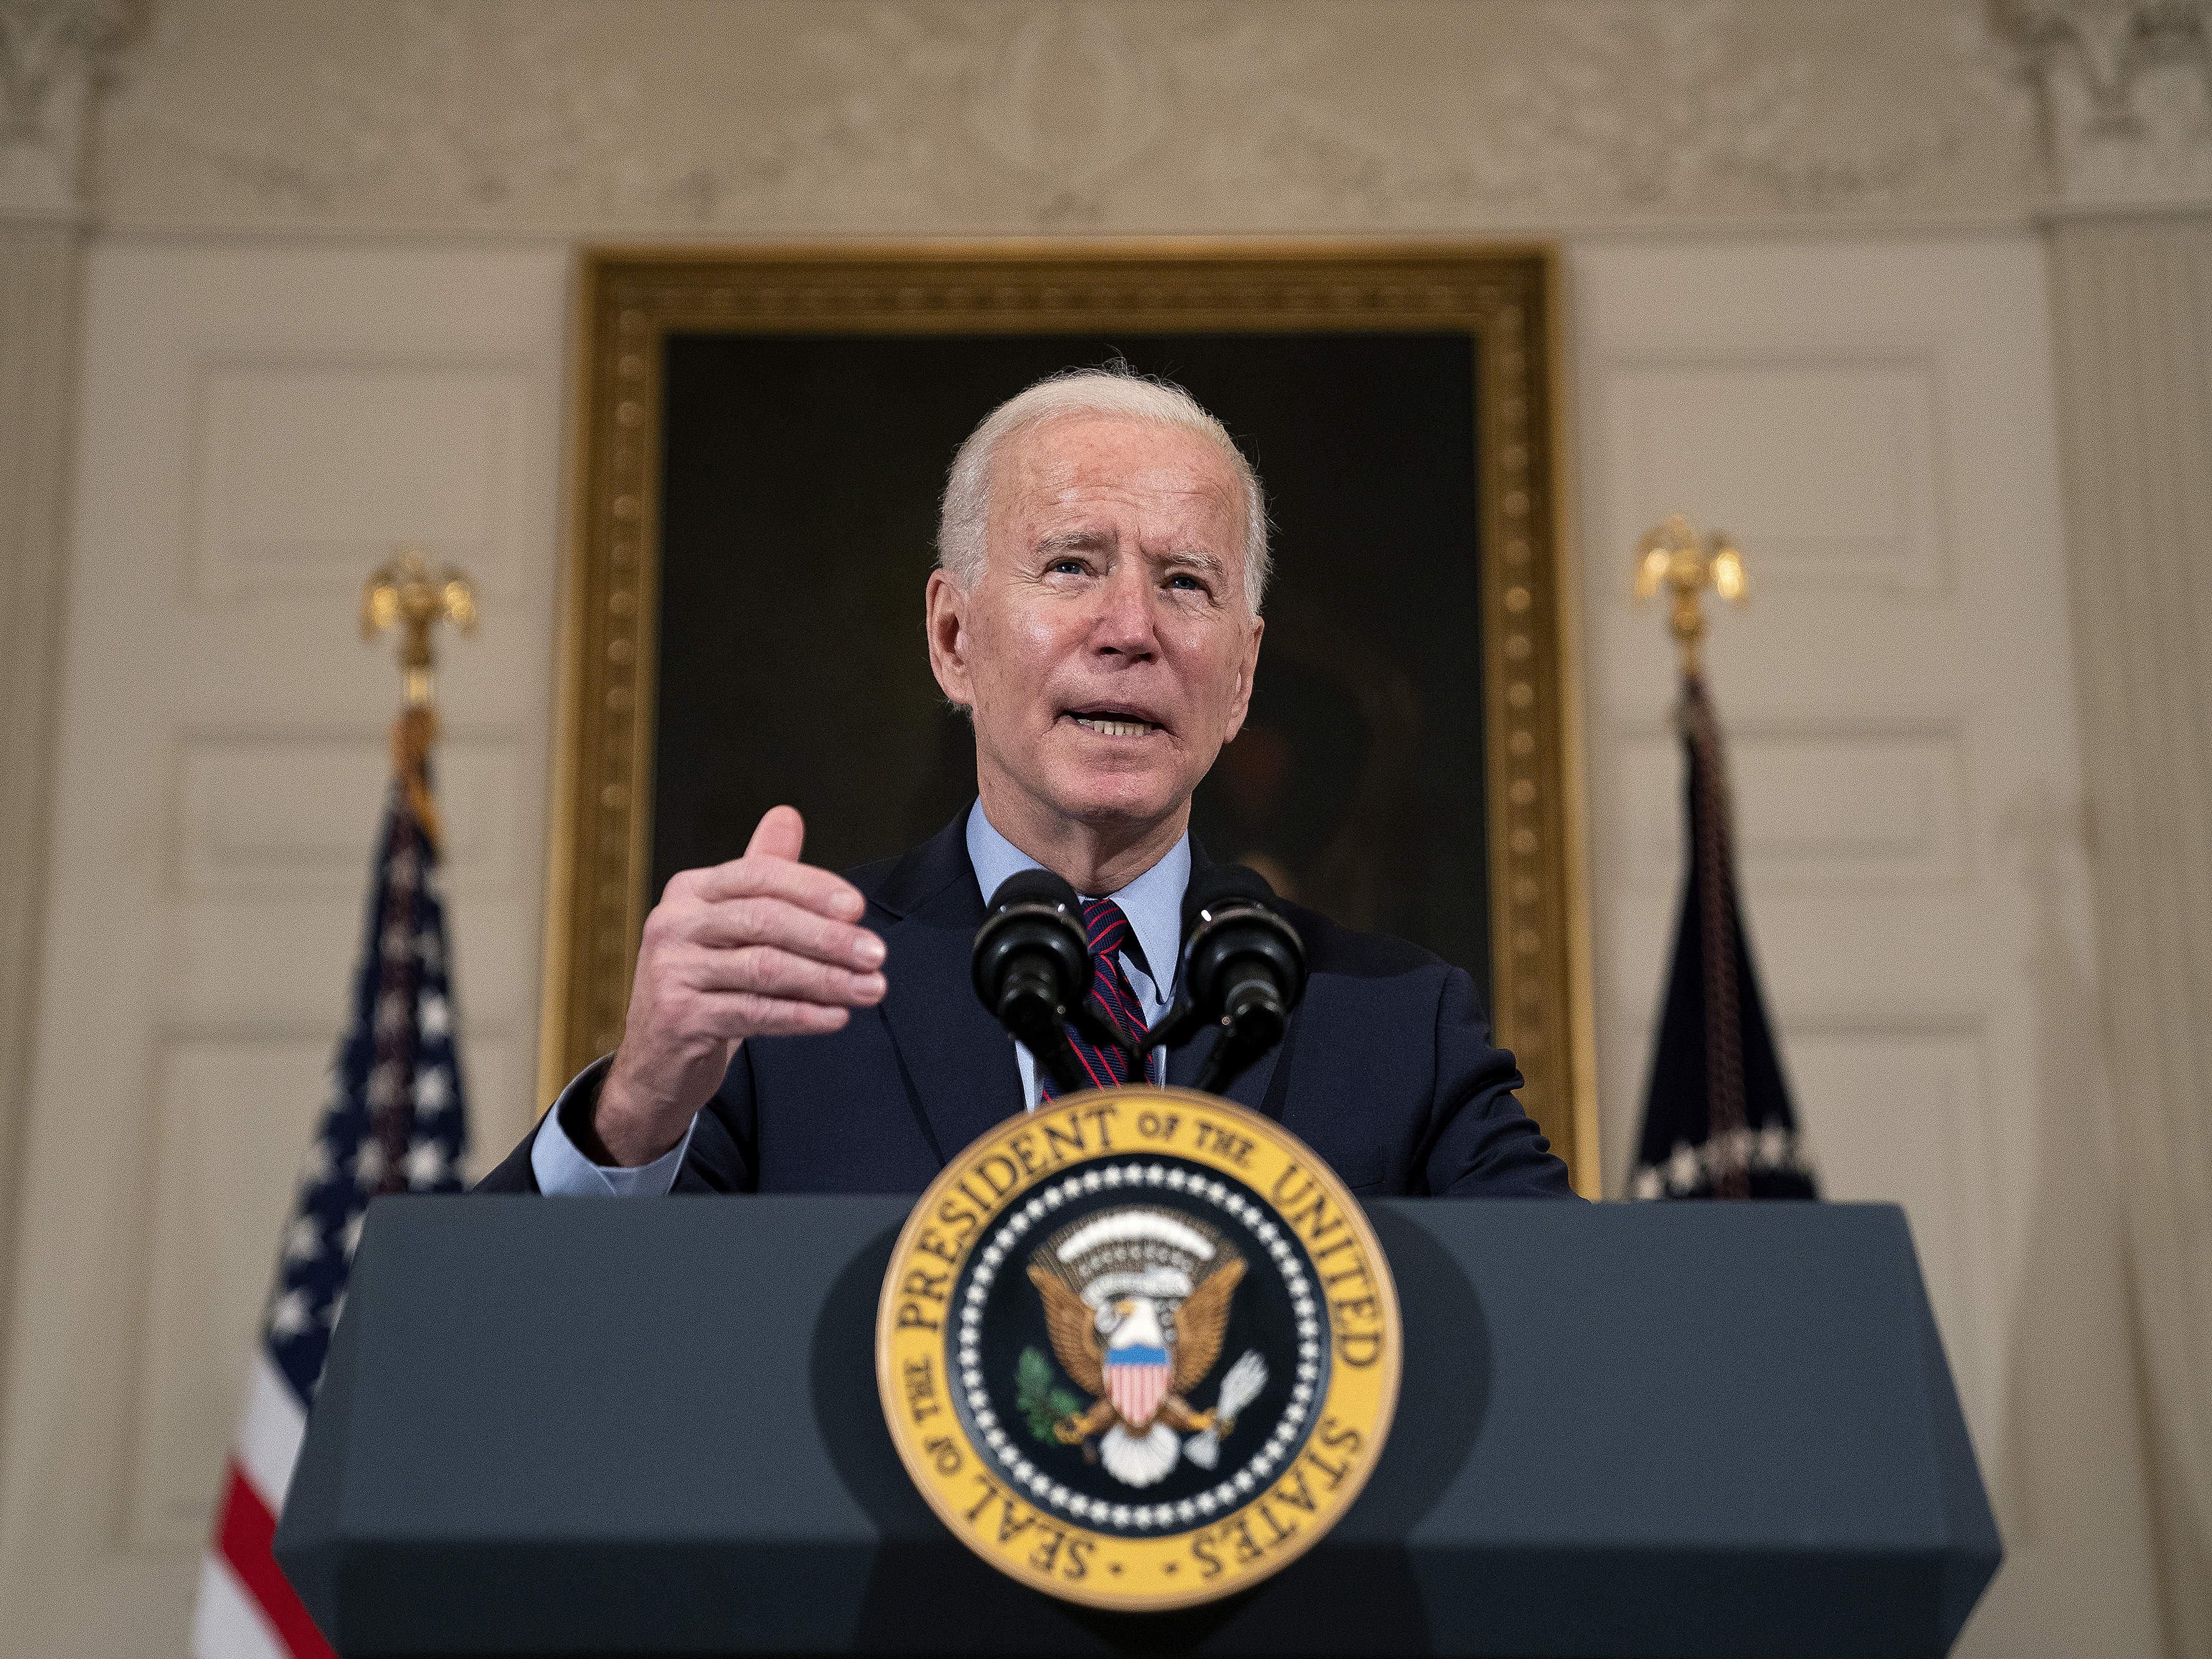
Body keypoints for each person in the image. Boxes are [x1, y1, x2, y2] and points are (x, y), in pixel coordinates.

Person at [478, 366, 1574, 1199]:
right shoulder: (785, 1008)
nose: (1132, 631)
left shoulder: (1400, 1028)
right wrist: (634, 1113)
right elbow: (496, 1360)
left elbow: (1592, 1330)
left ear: (1240, 679)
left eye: (1185, 582)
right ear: (953, 638)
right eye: (1071, 566)